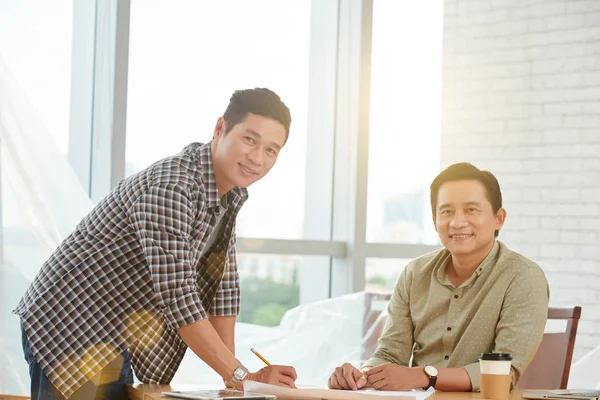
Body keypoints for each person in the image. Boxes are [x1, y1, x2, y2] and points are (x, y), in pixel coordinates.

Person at [14, 88, 298, 400]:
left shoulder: (228, 195)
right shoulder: (172, 187)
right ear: (220, 128)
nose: (257, 158)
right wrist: (240, 375)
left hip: (111, 334)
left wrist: (232, 377)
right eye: (249, 140)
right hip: (71, 322)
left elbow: (224, 290)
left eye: (271, 150)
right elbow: (178, 296)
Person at [328, 162, 549, 392]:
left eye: (471, 210)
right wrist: (361, 376)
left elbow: (504, 372)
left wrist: (425, 376)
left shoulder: (523, 278)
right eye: (447, 212)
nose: (457, 222)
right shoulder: (414, 274)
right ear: (434, 221)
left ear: (499, 218)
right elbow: (390, 354)